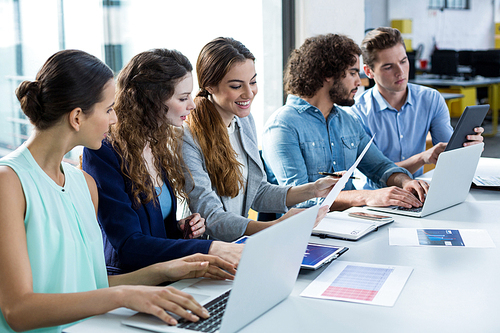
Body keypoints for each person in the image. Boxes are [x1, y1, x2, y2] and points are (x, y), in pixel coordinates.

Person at [0, 49, 236, 333]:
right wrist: (123, 296)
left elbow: (94, 286)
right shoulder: (8, 182)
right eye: (109, 109)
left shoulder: (83, 184)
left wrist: (178, 267)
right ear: (77, 117)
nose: (114, 120)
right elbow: (18, 311)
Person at [82, 49, 242, 274]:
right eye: (182, 98)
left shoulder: (157, 142)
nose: (192, 105)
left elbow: (155, 234)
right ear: (152, 100)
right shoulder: (104, 151)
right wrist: (210, 247)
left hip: (167, 274)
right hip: (130, 280)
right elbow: (129, 246)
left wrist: (180, 230)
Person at [182, 37, 339, 242]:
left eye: (253, 82)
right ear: (209, 86)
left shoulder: (243, 121)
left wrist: (313, 189)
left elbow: (257, 192)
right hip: (207, 253)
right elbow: (211, 218)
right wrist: (275, 226)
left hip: (237, 245)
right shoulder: (187, 138)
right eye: (237, 86)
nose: (249, 93)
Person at [262, 33, 428, 212]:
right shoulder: (282, 126)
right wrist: (367, 196)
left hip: (350, 225)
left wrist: (406, 182)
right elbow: (300, 201)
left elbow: (381, 167)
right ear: (327, 74)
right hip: (306, 233)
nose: (360, 81)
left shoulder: (348, 121)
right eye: (352, 73)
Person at [350, 26, 484, 178]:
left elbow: (451, 157)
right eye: (388, 67)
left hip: (417, 192)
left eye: (403, 61)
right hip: (374, 197)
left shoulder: (431, 99)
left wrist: (469, 147)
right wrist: (422, 158)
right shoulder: (356, 113)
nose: (400, 72)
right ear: (369, 72)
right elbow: (375, 172)